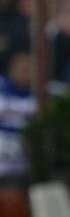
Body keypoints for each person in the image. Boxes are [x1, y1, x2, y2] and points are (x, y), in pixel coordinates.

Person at [0, 46, 36, 184]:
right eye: (22, 68)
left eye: (29, 68)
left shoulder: (50, 93)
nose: (26, 73)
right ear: (11, 69)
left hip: (28, 165)